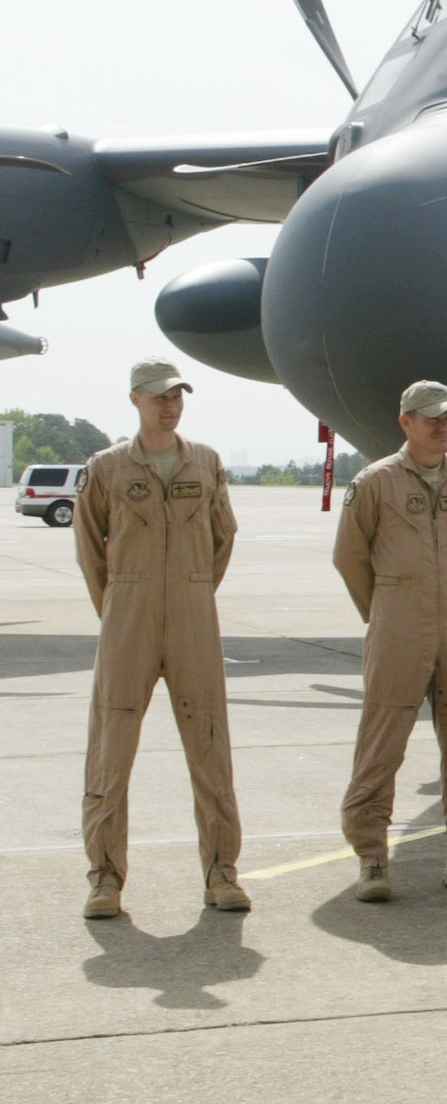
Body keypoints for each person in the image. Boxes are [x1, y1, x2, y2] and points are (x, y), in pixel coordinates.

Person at [75, 358, 247, 920]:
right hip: (129, 613)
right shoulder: (106, 467)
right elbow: (90, 546)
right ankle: (105, 879)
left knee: (210, 747)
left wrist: (193, 589)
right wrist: (121, 603)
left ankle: (221, 873)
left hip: (193, 613)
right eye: (158, 397)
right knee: (111, 751)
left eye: (176, 396)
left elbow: (223, 536)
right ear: (135, 400)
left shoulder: (207, 462)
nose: (169, 406)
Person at [334, 380, 447, 901]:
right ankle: (372, 860)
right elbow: (349, 556)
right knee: (382, 744)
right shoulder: (375, 482)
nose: (442, 426)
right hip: (398, 626)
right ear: (406, 422)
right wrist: (385, 608)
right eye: (432, 418)